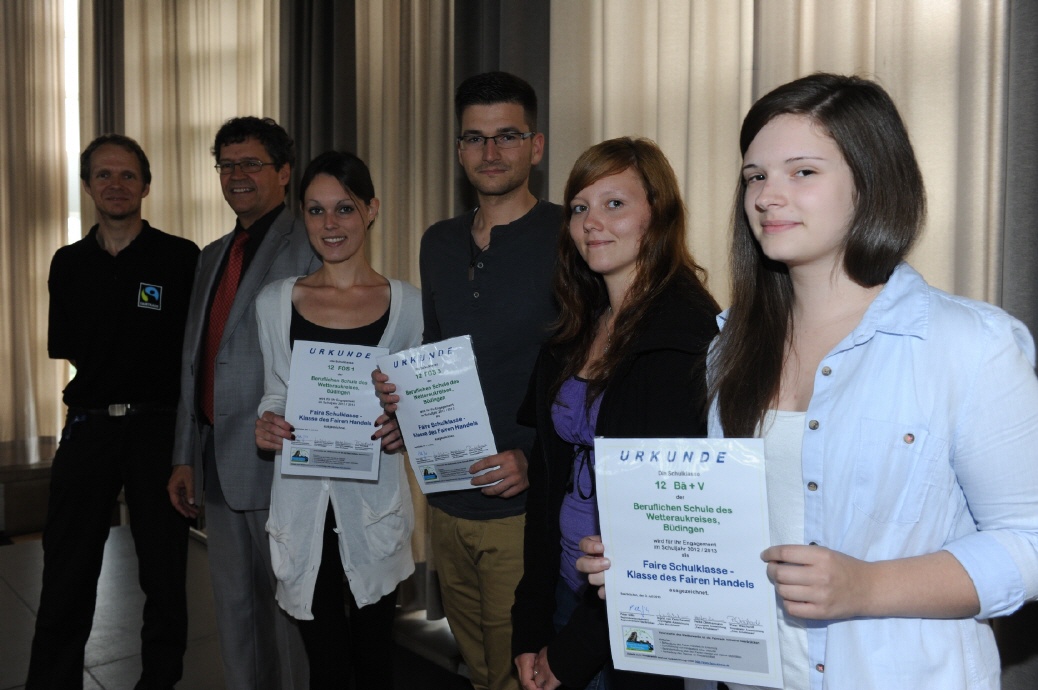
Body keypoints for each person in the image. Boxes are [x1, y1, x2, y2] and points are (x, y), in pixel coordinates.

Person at [580, 73, 1038, 689]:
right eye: (755, 176)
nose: (768, 195)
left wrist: (870, 586)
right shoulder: (729, 349)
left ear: (871, 183)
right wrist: (650, 565)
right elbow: (735, 536)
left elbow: (1030, 544)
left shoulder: (970, 345)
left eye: (802, 172)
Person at [373, 71, 562, 690]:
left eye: (506, 136)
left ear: (535, 145)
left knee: (528, 673)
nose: (490, 152)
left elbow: (588, 370)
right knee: (481, 671)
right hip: (446, 501)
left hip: (522, 504)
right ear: (459, 150)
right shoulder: (439, 242)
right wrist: (407, 411)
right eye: (474, 139)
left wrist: (534, 457)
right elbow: (436, 352)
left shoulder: (571, 238)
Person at [511, 137, 719, 690]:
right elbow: (546, 480)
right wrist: (529, 625)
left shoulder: (685, 336)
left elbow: (665, 533)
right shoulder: (574, 329)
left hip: (633, 620)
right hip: (563, 587)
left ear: (659, 214)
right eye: (579, 207)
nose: (591, 223)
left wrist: (574, 651)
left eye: (614, 204)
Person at [27, 134, 198, 690]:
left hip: (157, 429)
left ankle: (159, 683)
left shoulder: (179, 257)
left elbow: (192, 354)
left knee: (164, 574)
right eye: (103, 175)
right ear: (88, 187)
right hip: (90, 427)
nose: (116, 185)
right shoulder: (68, 263)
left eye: (127, 175)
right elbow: (72, 349)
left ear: (146, 185)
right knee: (67, 571)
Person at [252, 150, 422, 689]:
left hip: (372, 506)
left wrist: (405, 427)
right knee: (324, 666)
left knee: (374, 661)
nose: (331, 225)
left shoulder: (409, 305)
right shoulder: (276, 302)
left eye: (344, 209)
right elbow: (275, 393)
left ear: (371, 210)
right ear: (302, 215)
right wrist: (268, 422)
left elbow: (418, 401)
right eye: (316, 210)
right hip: (302, 507)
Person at [167, 116, 316, 690]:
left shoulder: (310, 244)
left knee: (291, 618)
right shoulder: (212, 255)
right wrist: (184, 454)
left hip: (281, 466)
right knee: (235, 615)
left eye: (251, 163)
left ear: (283, 173)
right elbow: (194, 360)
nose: (237, 176)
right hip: (217, 463)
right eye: (227, 165)